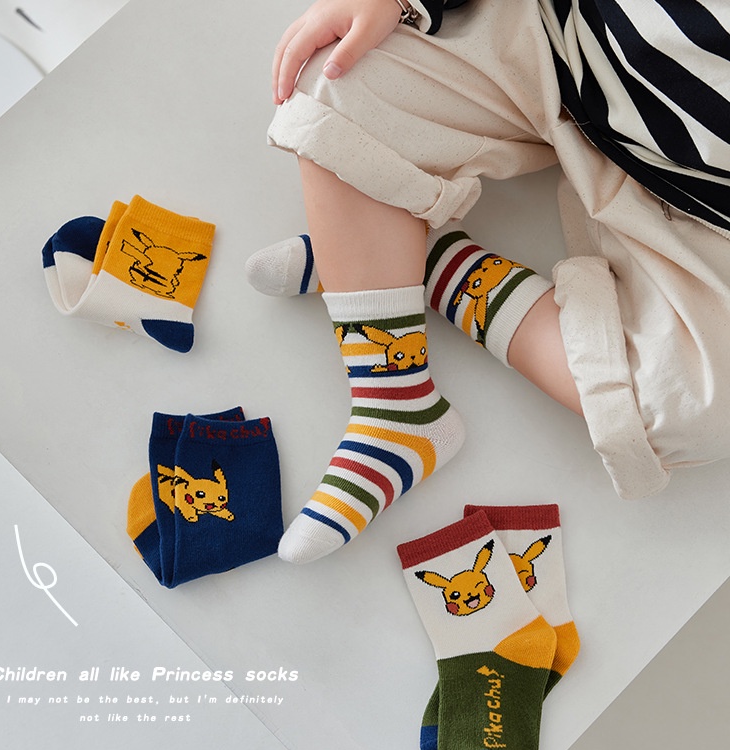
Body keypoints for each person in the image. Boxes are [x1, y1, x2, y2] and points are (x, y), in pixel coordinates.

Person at [248, 0, 730, 563]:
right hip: (559, 38)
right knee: (341, 73)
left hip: (700, 198)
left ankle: (415, 264)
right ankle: (392, 398)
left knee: (690, 410)